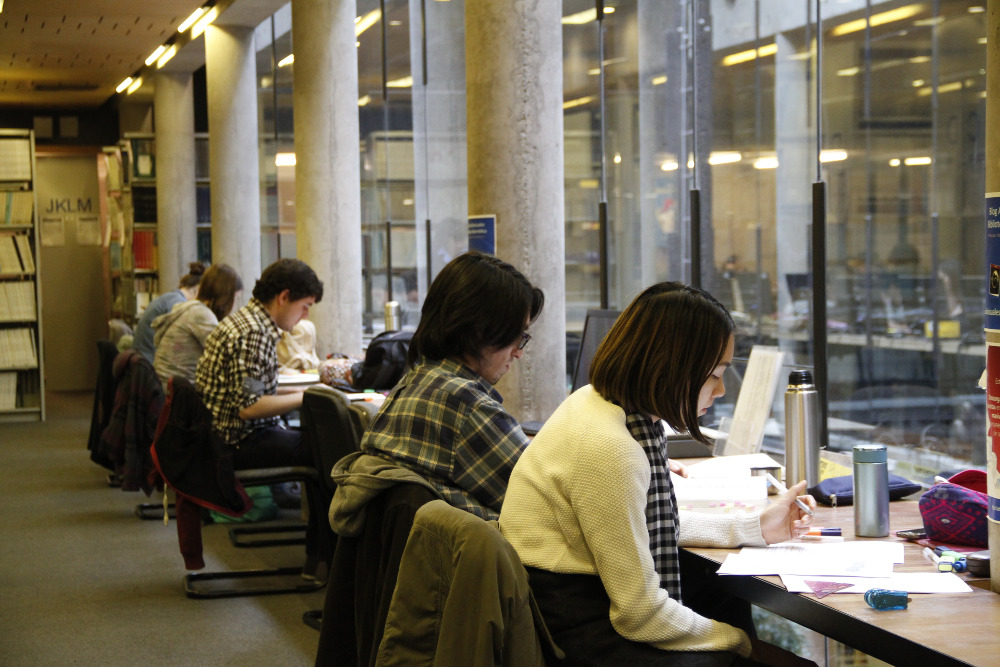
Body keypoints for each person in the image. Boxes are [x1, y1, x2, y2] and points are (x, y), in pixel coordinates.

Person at [499, 282, 817, 667]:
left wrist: (755, 528)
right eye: (714, 375)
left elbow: (642, 527)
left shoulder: (596, 404)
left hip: (559, 604)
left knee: (721, 599)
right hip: (574, 631)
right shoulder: (610, 447)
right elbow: (642, 616)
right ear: (670, 368)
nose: (720, 391)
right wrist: (742, 644)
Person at [353, 250, 544, 521]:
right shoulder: (466, 405)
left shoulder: (416, 380)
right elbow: (548, 507)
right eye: (517, 335)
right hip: (486, 562)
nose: (518, 352)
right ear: (481, 330)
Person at [151, 263, 243, 388]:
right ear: (225, 297)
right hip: (179, 395)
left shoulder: (189, 307)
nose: (234, 305)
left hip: (165, 388)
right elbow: (227, 358)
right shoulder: (201, 315)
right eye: (235, 298)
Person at [132, 261, 205, 363]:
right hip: (148, 363)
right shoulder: (178, 302)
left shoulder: (170, 297)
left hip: (141, 359)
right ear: (197, 290)